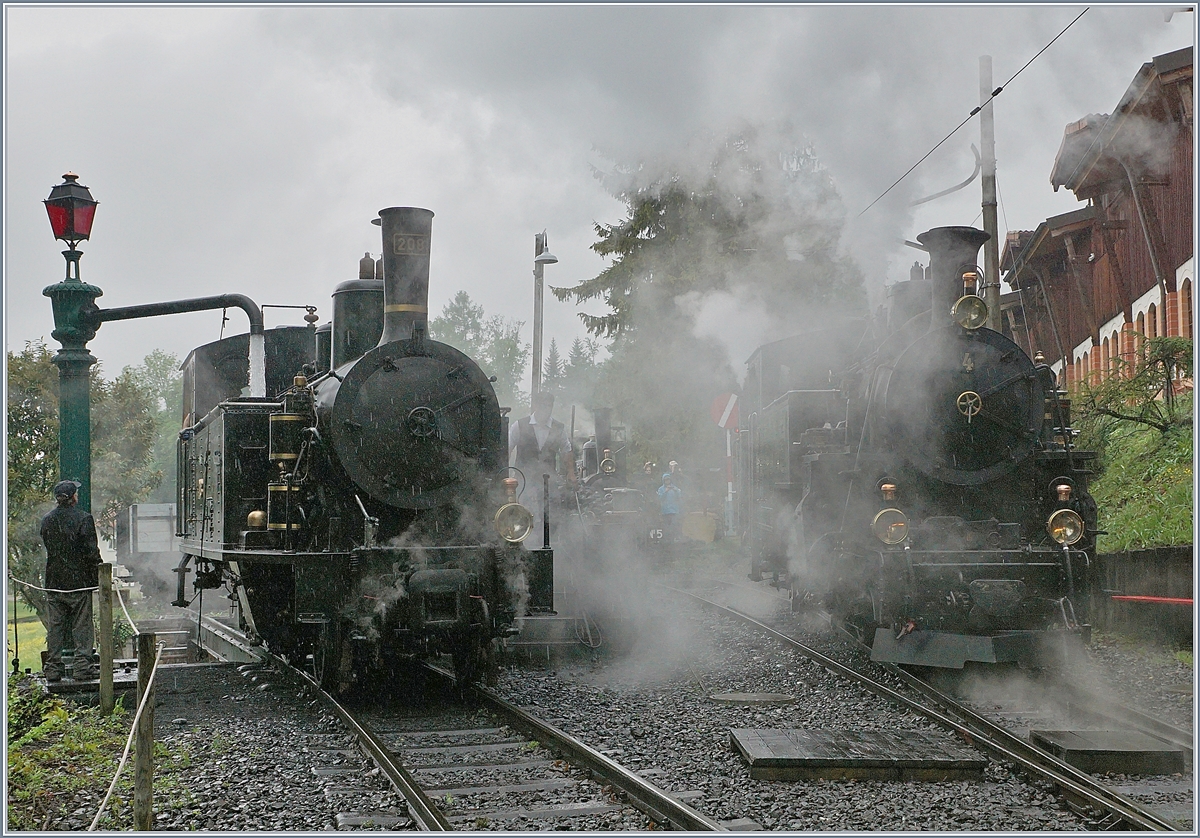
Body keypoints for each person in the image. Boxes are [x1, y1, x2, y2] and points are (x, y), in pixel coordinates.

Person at [40, 480, 102, 682]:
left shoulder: (47, 519)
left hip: (55, 582)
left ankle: (52, 668)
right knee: (81, 627)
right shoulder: (84, 519)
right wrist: (99, 573)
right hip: (79, 582)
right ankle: (82, 668)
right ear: (74, 496)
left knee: (56, 627)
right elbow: (91, 552)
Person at [509, 391, 576, 540]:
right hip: (523, 479)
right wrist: (505, 474)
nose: (546, 409)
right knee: (522, 511)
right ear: (536, 406)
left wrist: (571, 473)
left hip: (548, 480)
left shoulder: (558, 428)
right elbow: (507, 448)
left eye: (549, 406)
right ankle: (523, 540)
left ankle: (550, 542)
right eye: (543, 405)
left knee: (551, 513)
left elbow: (567, 450)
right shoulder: (519, 425)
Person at [657, 472, 683, 543]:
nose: (667, 481)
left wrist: (676, 491)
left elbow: (679, 497)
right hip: (665, 511)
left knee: (674, 526)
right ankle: (667, 540)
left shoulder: (675, 488)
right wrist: (666, 491)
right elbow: (660, 498)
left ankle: (674, 539)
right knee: (666, 527)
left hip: (674, 511)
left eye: (668, 479)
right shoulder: (661, 489)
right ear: (663, 480)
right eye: (665, 480)